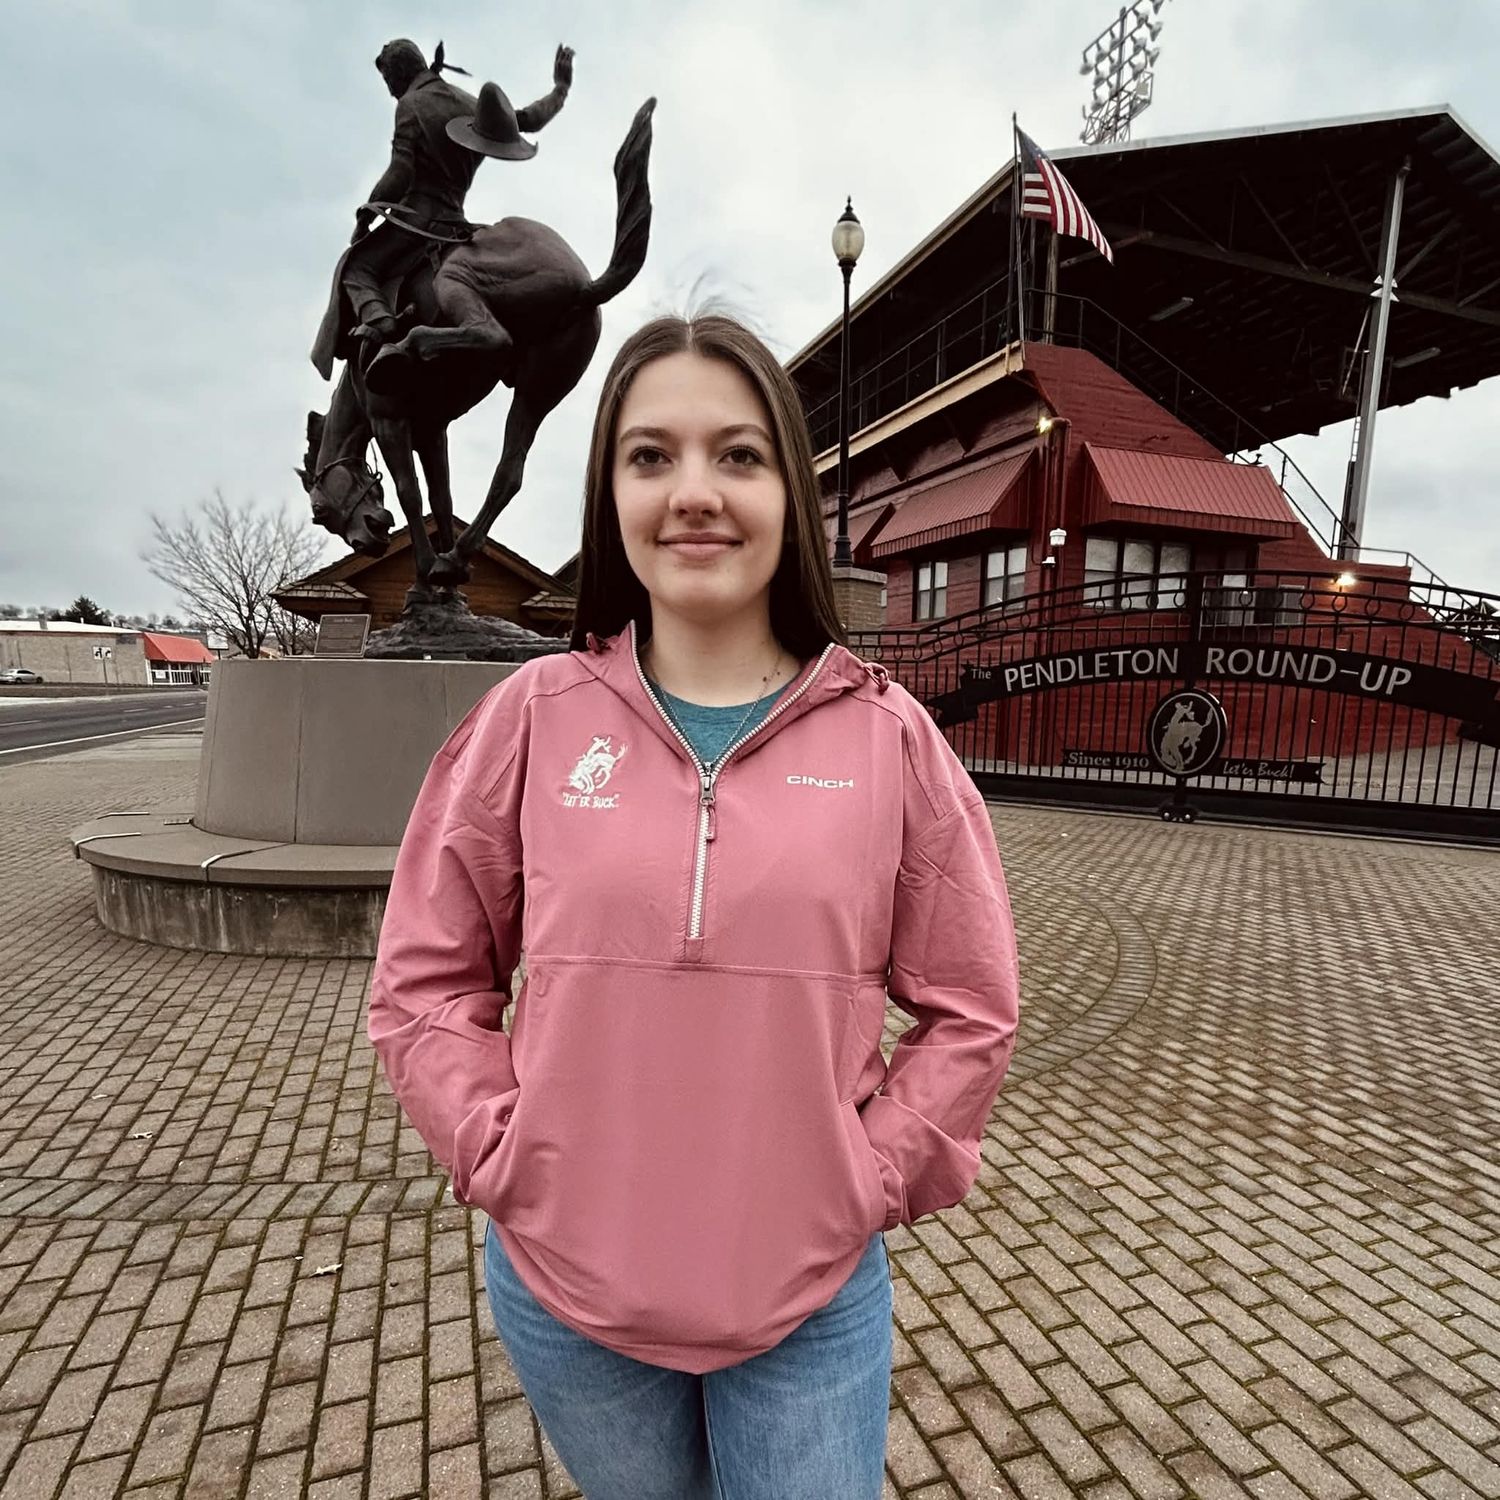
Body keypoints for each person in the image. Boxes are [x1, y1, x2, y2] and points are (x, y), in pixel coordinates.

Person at [367, 313, 1021, 1498]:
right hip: (568, 1291)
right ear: (611, 493)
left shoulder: (891, 740)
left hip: (807, 1299)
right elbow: (424, 982)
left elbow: (972, 1007)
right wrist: (499, 1149)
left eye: (738, 454)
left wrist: (869, 1176)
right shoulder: (530, 718)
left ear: (789, 492)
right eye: (651, 455)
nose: (695, 493)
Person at [310, 38, 573, 377]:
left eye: (388, 81)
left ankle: (383, 324)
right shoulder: (469, 104)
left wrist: (366, 212)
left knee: (355, 265)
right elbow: (526, 120)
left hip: (419, 221)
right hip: (456, 222)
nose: (390, 91)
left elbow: (401, 171)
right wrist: (561, 89)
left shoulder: (410, 104)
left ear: (396, 74)